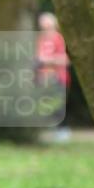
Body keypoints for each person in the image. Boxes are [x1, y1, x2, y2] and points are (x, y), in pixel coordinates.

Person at [35, 12, 71, 140]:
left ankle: (63, 132)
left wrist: (46, 60)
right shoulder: (40, 39)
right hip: (43, 78)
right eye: (43, 27)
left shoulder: (59, 39)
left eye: (48, 27)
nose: (45, 29)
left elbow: (65, 60)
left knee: (59, 106)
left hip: (58, 78)